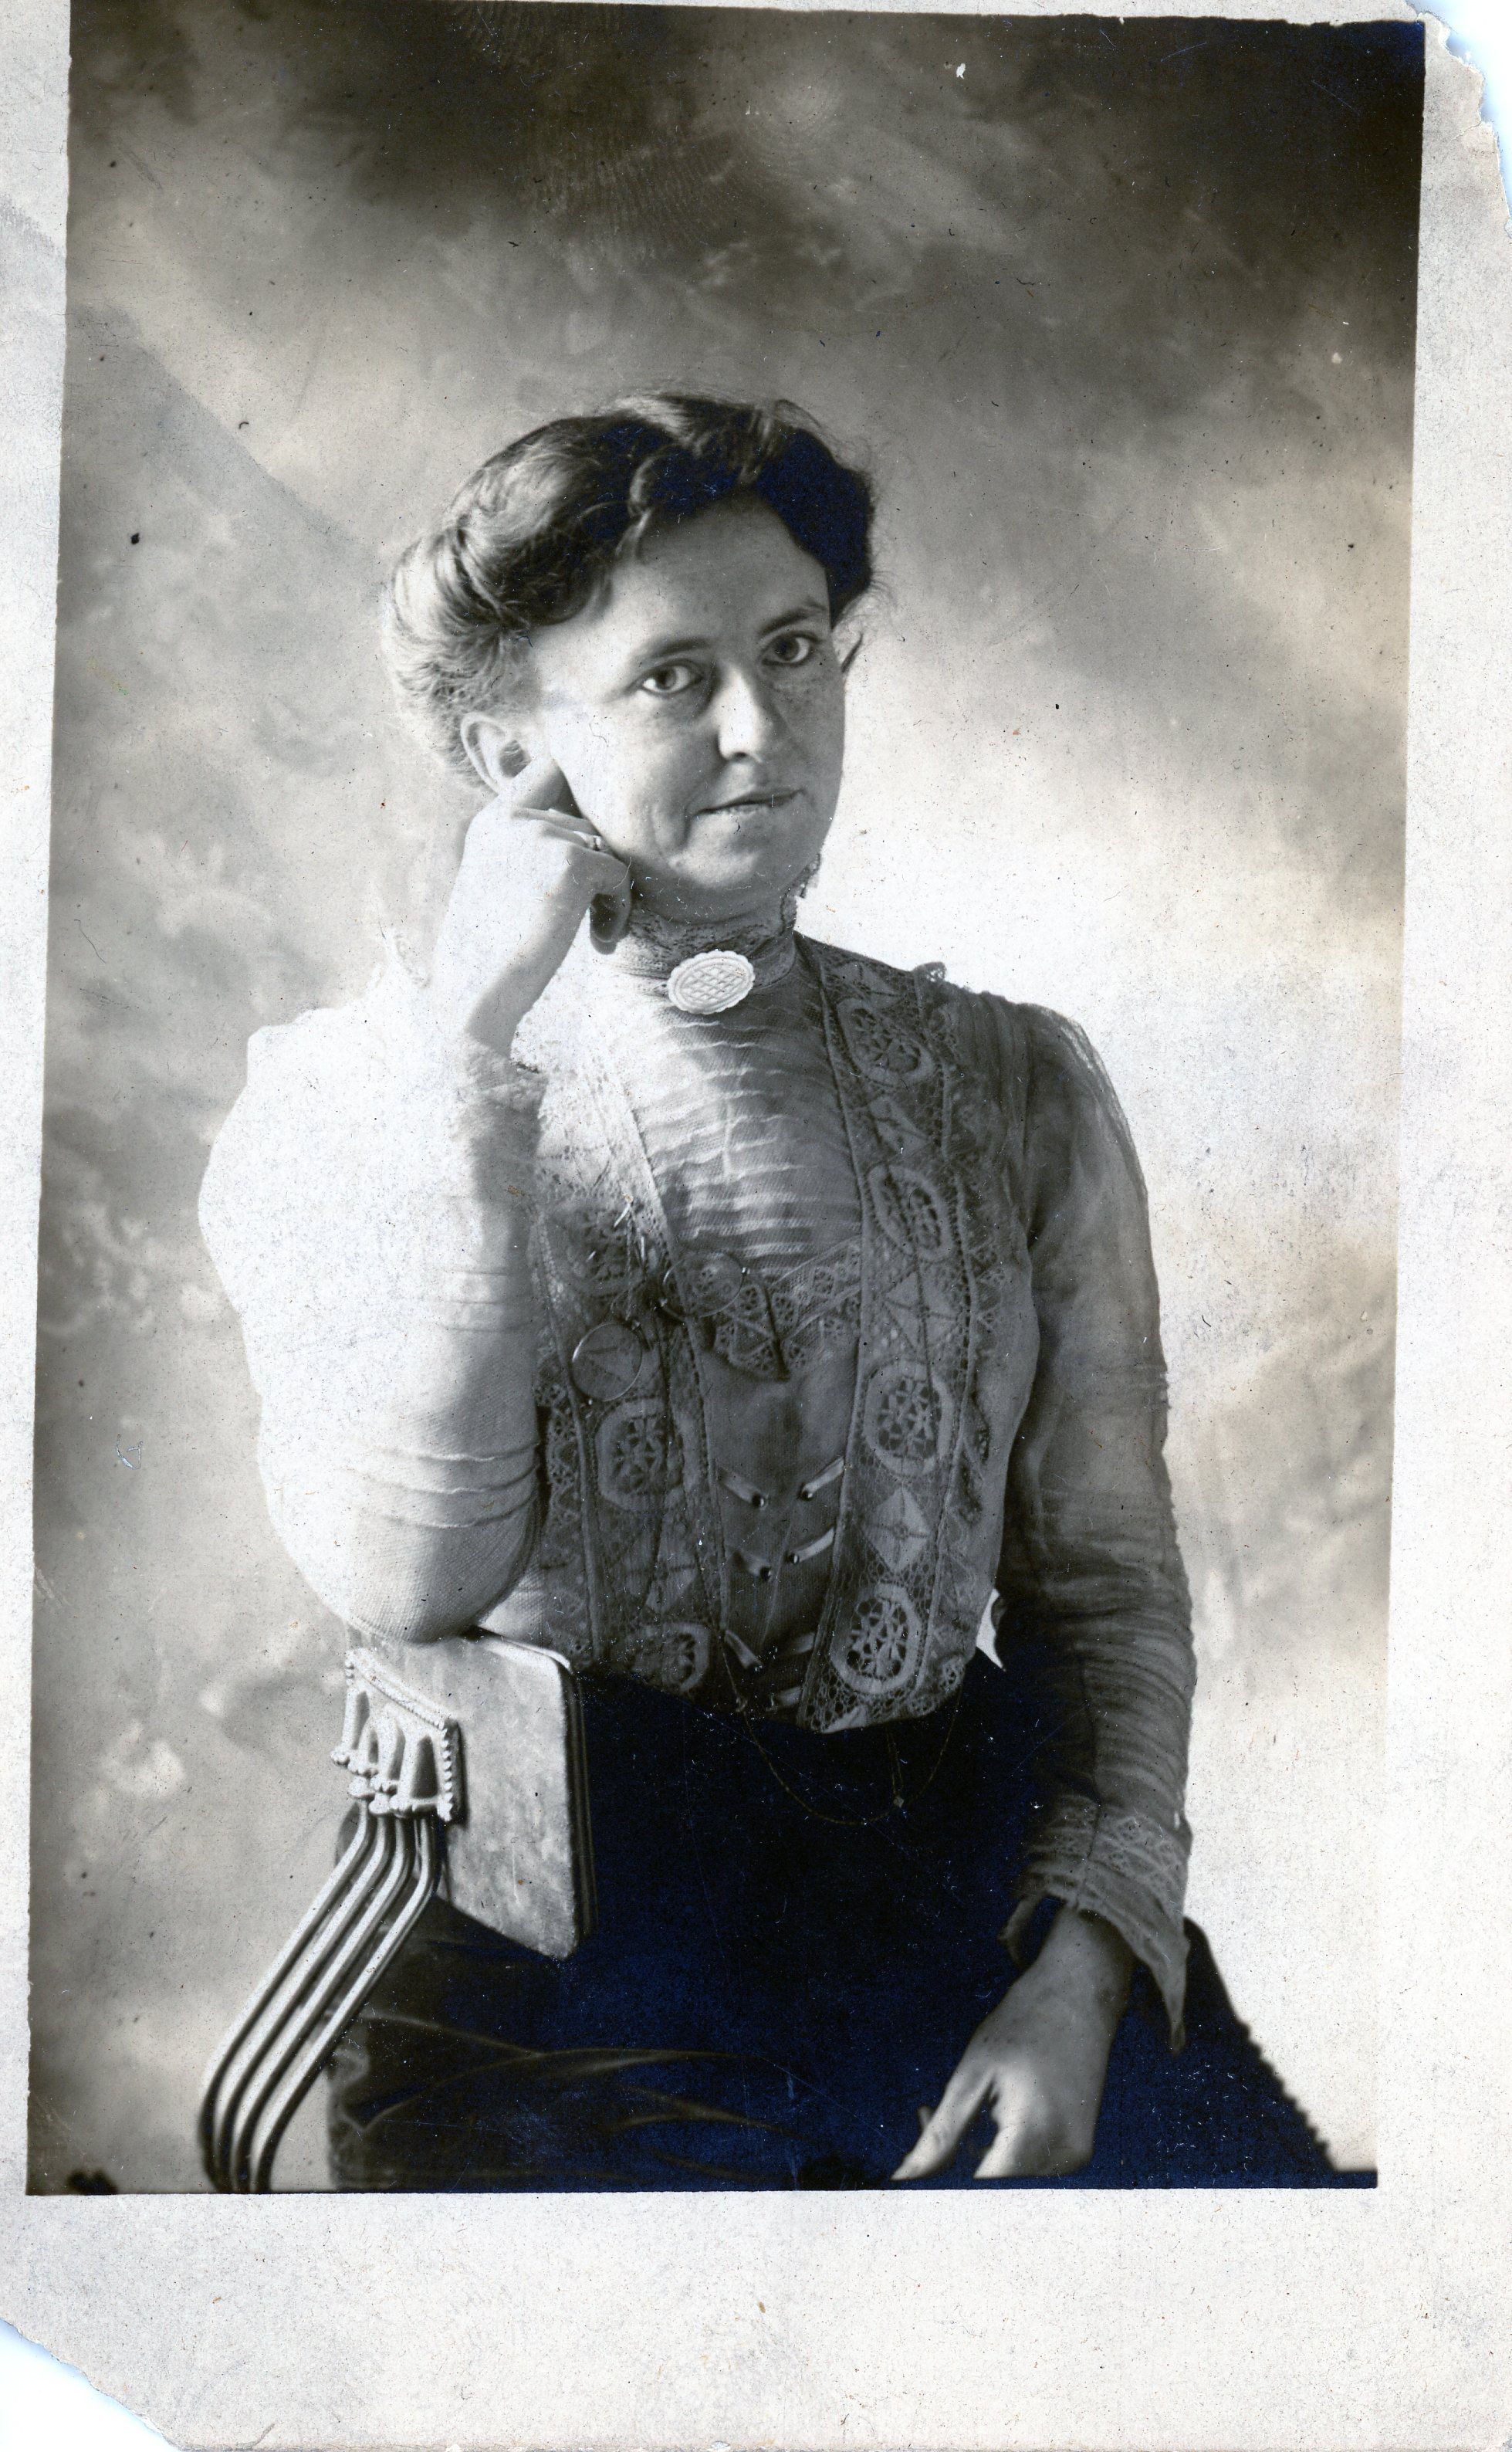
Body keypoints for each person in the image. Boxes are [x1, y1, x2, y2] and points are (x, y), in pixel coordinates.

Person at [201, 395, 1345, 2189]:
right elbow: (409, 1573)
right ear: (509, 746)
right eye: (672, 678)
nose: (761, 727)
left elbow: (1105, 1595)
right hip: (550, 1997)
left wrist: (1079, 1977)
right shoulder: (362, 1093)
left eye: (795, 649)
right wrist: (472, 1043)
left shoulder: (1017, 1084)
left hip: (963, 1939)